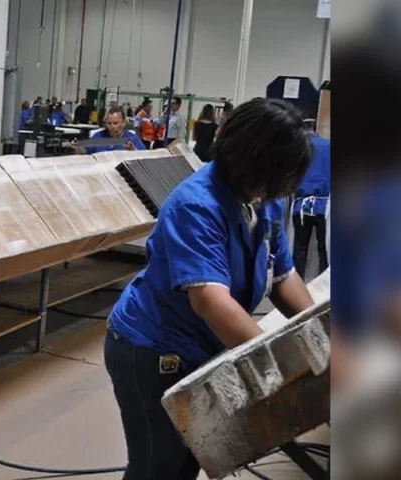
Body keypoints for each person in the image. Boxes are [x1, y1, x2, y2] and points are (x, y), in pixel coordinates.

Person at [104, 98, 315, 480]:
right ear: (256, 161)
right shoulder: (196, 206)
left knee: (191, 456)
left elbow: (283, 278)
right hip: (153, 348)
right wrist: (277, 370)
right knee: (158, 463)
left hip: (203, 345)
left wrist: (318, 337)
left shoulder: (260, 200)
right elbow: (211, 301)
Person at [291, 132, 331, 279]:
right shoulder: (329, 146)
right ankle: (324, 287)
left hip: (301, 205)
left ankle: (298, 283)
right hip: (324, 206)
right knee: (323, 249)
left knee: (300, 248)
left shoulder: (299, 146)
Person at [73, 106, 146, 155]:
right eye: (109, 123)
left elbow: (144, 158)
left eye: (115, 123)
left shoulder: (132, 139)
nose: (112, 126)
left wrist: (134, 152)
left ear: (124, 123)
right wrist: (78, 148)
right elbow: (85, 154)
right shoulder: (98, 137)